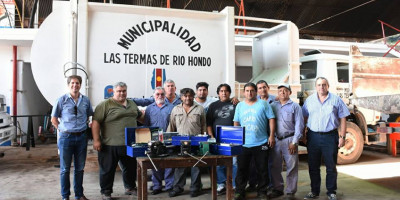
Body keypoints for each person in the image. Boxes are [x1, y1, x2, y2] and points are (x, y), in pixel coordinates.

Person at [91, 82, 142, 200]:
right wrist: (96, 140)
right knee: (107, 170)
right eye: (119, 91)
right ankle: (106, 192)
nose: (122, 93)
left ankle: (130, 187)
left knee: (130, 168)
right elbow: (96, 123)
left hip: (129, 144)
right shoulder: (105, 105)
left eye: (124, 91)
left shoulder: (132, 104)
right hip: (109, 144)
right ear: (113, 92)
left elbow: (140, 117)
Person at [302, 77, 349, 200]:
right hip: (313, 137)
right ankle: (314, 191)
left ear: (328, 86)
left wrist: (342, 137)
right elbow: (304, 118)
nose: (321, 87)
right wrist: (303, 134)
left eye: (324, 85)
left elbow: (343, 118)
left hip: (330, 136)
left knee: (331, 166)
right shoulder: (310, 101)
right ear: (315, 86)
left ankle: (331, 191)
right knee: (313, 166)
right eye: (319, 85)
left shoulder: (336, 100)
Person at [51, 75, 93, 200]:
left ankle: (79, 195)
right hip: (66, 138)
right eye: (73, 83)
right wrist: (63, 129)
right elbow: (54, 119)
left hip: (81, 138)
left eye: (77, 83)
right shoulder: (61, 100)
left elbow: (89, 115)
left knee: (80, 168)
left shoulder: (85, 100)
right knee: (65, 169)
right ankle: (65, 196)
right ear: (69, 85)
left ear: (80, 85)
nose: (75, 85)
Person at [233, 82, 276, 200]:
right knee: (241, 169)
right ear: (244, 92)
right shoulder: (240, 106)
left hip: (261, 142)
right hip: (244, 143)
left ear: (256, 92)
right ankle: (239, 192)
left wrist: (271, 136)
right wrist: (236, 140)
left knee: (262, 169)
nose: (250, 93)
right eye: (247, 91)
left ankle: (262, 192)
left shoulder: (264, 104)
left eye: (252, 90)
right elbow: (236, 122)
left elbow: (271, 119)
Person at [167, 88, 207, 197]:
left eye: (190, 96)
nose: (187, 98)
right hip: (180, 143)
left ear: (193, 96)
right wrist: (168, 141)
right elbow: (171, 127)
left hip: (196, 143)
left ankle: (195, 188)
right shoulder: (175, 109)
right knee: (180, 166)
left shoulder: (200, 109)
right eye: (185, 96)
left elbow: (203, 126)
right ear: (181, 97)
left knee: (196, 166)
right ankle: (178, 188)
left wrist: (204, 142)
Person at [270, 84, 304, 200]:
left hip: (289, 139)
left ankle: (290, 191)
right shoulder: (273, 105)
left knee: (291, 166)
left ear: (289, 92)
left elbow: (300, 125)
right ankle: (278, 188)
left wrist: (294, 142)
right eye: (280, 91)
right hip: (275, 140)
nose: (282, 93)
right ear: (277, 93)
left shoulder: (295, 107)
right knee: (275, 166)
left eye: (285, 91)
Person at [206, 83, 238, 195]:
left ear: (229, 92)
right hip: (217, 138)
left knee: (234, 162)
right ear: (218, 93)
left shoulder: (236, 104)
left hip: (233, 138)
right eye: (221, 91)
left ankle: (234, 184)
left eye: (226, 91)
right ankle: (221, 184)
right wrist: (211, 136)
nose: (224, 93)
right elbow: (208, 123)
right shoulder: (213, 106)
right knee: (219, 162)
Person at [143, 87, 175, 195]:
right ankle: (157, 186)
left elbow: (174, 124)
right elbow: (146, 125)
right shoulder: (149, 109)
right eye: (157, 94)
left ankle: (169, 186)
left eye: (162, 94)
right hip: (154, 141)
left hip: (168, 140)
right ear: (153, 95)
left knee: (169, 163)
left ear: (165, 95)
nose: (160, 96)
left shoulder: (171, 108)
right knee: (155, 164)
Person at [247, 79, 276, 192]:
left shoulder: (275, 99)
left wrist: (272, 135)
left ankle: (269, 185)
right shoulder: (254, 100)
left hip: (271, 135)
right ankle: (253, 183)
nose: (262, 89)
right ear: (256, 90)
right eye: (259, 88)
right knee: (254, 162)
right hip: (258, 135)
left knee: (269, 162)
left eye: (264, 87)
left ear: (268, 87)